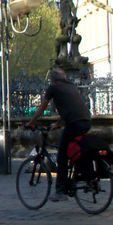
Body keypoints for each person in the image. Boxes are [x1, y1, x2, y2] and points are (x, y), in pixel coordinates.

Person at [26, 67, 92, 202]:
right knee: (77, 150)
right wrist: (57, 124)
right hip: (86, 121)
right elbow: (69, 108)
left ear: (53, 79)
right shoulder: (71, 86)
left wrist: (31, 122)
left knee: (62, 156)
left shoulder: (53, 87)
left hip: (74, 123)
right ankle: (87, 177)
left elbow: (41, 107)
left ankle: (61, 191)